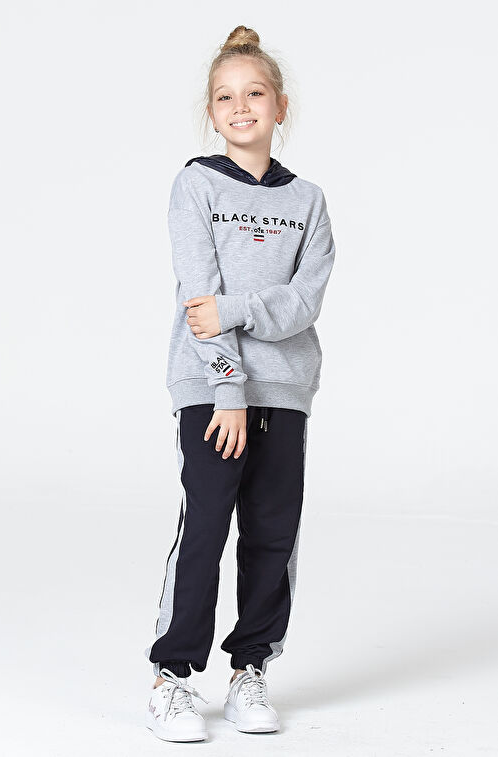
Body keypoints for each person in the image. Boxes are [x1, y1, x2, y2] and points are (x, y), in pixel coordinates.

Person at [144, 24, 336, 743]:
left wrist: (237, 309)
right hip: (210, 389)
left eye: (255, 93)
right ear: (211, 112)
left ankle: (250, 668)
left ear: (279, 107)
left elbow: (302, 303)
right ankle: (171, 676)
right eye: (225, 97)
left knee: (271, 535)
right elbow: (200, 296)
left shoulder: (308, 201)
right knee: (204, 530)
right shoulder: (195, 185)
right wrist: (228, 389)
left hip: (284, 390)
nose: (241, 106)